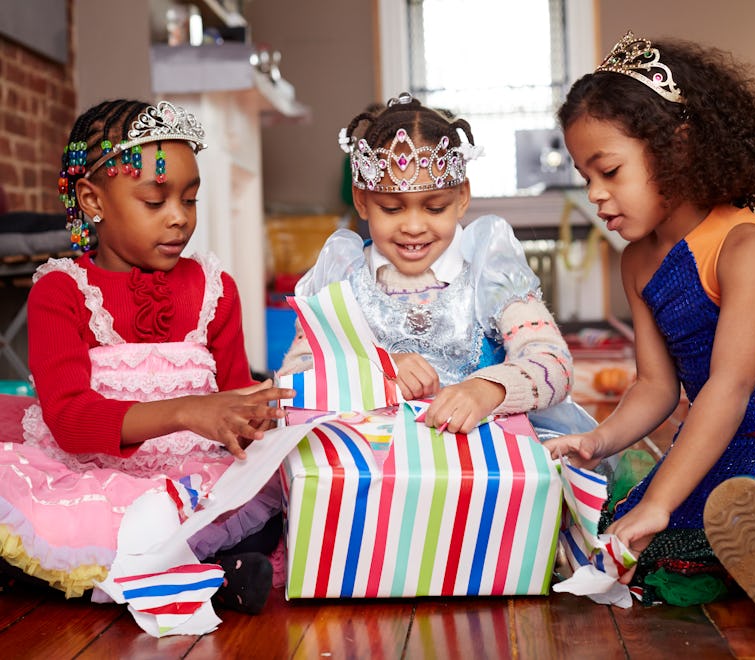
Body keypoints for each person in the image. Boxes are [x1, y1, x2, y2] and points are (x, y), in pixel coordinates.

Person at [544, 31, 755, 636]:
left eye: (610, 171)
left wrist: (661, 499)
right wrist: (596, 442)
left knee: (714, 536)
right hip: (721, 434)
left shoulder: (744, 244)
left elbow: (728, 387)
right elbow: (655, 386)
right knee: (627, 534)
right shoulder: (636, 261)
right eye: (584, 175)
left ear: (677, 147)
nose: (595, 195)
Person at [0, 99, 294, 615]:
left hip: (192, 474)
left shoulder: (216, 288)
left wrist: (268, 414)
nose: (179, 218)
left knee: (264, 503)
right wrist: (185, 410)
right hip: (89, 472)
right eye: (155, 202)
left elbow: (236, 387)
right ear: (93, 200)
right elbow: (69, 418)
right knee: (47, 528)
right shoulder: (60, 292)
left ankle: (199, 573)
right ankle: (204, 576)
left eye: (191, 199)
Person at [279, 92, 582, 437]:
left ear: (462, 198)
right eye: (391, 209)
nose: (413, 226)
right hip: (370, 467)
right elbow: (294, 379)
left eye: (434, 208)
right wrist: (375, 369)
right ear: (362, 200)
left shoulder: (488, 272)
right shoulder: (342, 278)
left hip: (482, 463)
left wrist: (488, 389)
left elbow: (554, 365)